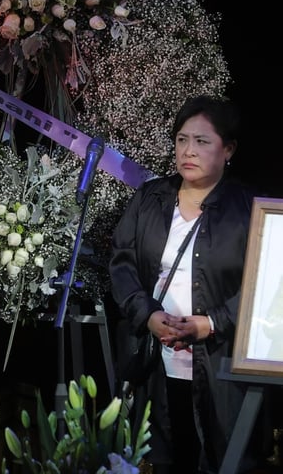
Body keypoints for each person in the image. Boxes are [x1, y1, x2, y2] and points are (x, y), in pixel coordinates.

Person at [110, 95, 263, 473]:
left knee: (216, 457)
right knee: (160, 456)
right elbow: (122, 262)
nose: (188, 151)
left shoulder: (248, 208)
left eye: (201, 141)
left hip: (219, 366)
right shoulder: (150, 198)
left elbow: (264, 285)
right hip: (154, 361)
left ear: (228, 149)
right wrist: (148, 315)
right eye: (181, 140)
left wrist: (209, 323)